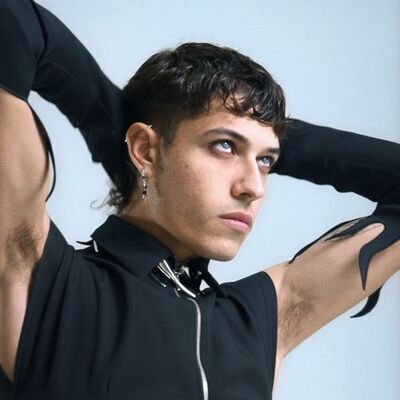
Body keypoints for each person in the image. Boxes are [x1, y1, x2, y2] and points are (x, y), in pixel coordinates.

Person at [0, 1, 399, 399]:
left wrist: (264, 128)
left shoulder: (258, 322)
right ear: (144, 149)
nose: (254, 187)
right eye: (224, 145)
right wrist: (111, 132)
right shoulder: (41, 278)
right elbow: (13, 21)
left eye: (265, 161)